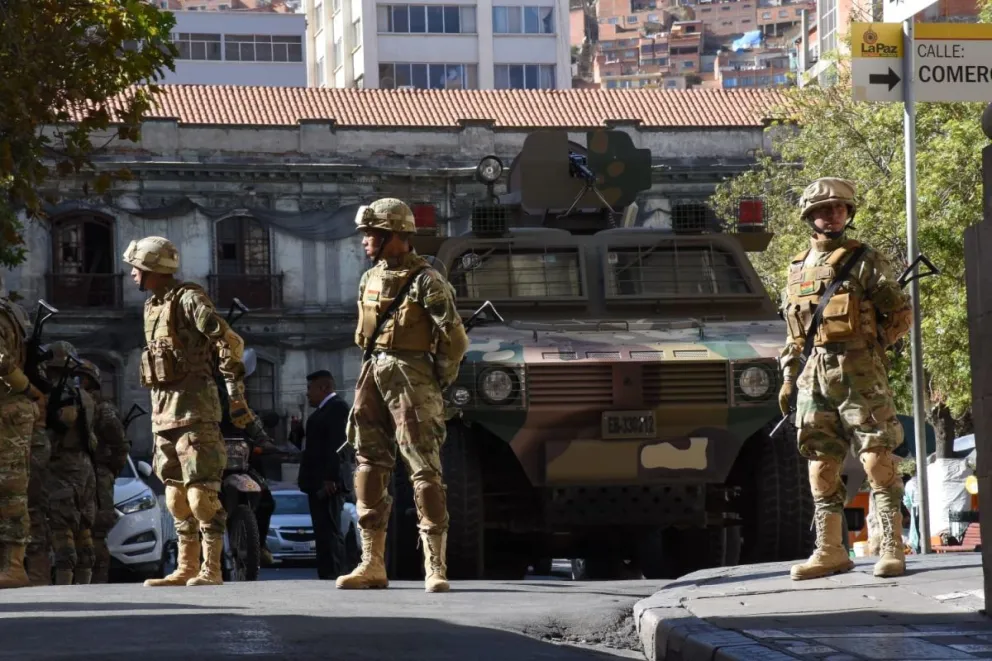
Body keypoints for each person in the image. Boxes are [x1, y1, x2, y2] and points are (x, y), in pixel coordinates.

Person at [778, 178, 913, 581]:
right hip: (814, 374)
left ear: (848, 214)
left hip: (860, 371)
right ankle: (830, 550)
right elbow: (794, 332)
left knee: (876, 455)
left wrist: (872, 346)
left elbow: (901, 314)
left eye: (839, 208)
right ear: (809, 217)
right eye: (823, 210)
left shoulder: (865, 260)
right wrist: (788, 376)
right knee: (820, 461)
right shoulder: (797, 267)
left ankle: (890, 547)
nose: (832, 215)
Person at [336, 198, 469, 593]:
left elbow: (455, 339)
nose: (365, 241)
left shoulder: (428, 280)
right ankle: (371, 563)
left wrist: (437, 380)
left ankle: (435, 565)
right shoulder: (369, 278)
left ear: (395, 236)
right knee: (368, 466)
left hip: (413, 376)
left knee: (425, 471)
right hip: (373, 371)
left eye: (372, 234)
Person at [123, 235, 250, 587]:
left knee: (201, 496)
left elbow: (229, 341)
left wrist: (235, 396)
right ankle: (186, 566)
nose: (132, 274)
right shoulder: (151, 307)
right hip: (163, 416)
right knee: (176, 497)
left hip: (196, 413)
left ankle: (212, 568)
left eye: (137, 268)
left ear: (153, 269)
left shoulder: (189, 299)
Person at [0, 283, 46, 589]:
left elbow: (2, 361)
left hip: (8, 409)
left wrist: (29, 390)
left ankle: (14, 566)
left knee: (10, 487)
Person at [44, 341, 98, 585]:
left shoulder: (63, 395)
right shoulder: (84, 396)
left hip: (63, 465)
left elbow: (62, 424)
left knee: (61, 527)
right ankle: (83, 585)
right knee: (83, 528)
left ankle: (64, 589)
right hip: (84, 465)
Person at [77, 358, 130, 583]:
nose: (77, 382)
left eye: (82, 378)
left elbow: (119, 445)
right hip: (74, 472)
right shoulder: (68, 402)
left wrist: (110, 470)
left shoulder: (103, 408)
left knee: (97, 531)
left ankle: (96, 583)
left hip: (97, 474)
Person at [297, 369, 349, 579]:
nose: (307, 394)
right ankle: (326, 571)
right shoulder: (321, 411)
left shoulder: (337, 408)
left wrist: (331, 477)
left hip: (327, 484)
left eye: (310, 389)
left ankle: (335, 571)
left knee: (330, 529)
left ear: (324, 387)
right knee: (322, 530)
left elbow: (337, 446)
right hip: (316, 482)